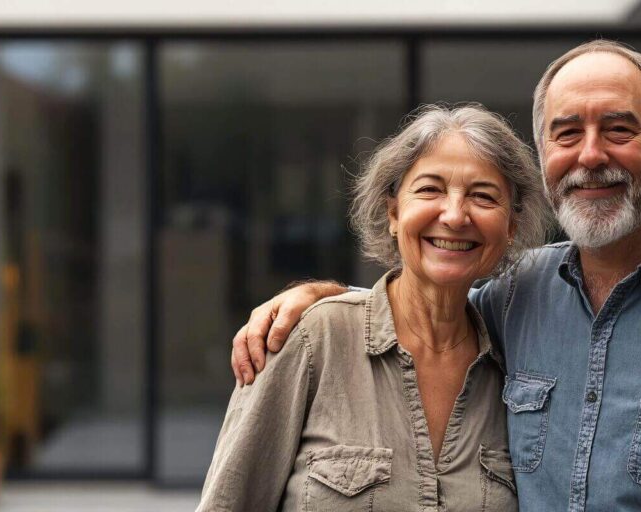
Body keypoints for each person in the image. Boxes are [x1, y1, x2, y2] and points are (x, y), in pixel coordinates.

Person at [230, 40, 641, 510]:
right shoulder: (514, 299)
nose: (591, 154)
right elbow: (416, 305)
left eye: (619, 128)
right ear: (544, 154)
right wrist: (316, 301)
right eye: (567, 132)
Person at [197, 104, 551, 511]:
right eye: (430, 189)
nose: (455, 215)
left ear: (510, 227)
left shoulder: (515, 365)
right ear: (393, 212)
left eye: (483, 196)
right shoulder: (313, 339)